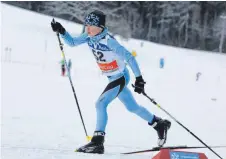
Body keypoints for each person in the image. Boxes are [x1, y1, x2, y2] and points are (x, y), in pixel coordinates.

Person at [51, 10, 171, 154]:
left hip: (120, 77)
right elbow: (72, 42)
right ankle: (159, 124)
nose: (87, 28)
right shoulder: (89, 37)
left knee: (100, 103)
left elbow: (130, 58)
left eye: (91, 25)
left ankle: (97, 142)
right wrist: (62, 31)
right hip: (112, 78)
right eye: (86, 25)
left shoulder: (109, 41)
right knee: (132, 107)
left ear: (100, 27)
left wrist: (139, 79)